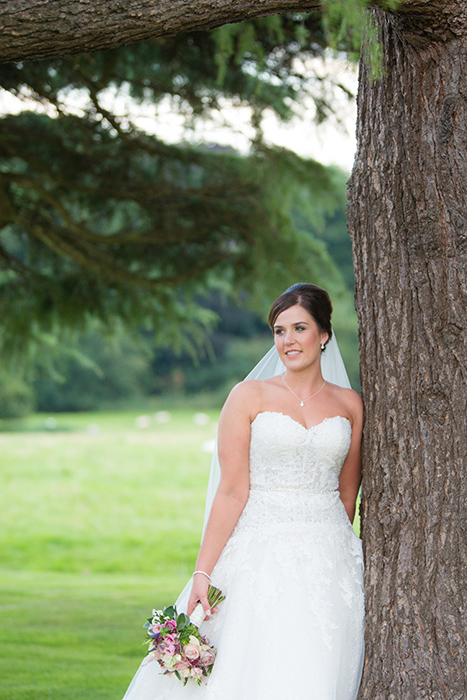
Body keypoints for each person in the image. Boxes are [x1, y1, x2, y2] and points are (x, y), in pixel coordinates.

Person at [122, 283, 364, 700]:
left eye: (299, 328)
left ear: (324, 334)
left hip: (330, 561)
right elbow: (232, 491)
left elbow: (347, 496)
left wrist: (329, 557)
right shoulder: (248, 396)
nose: (288, 340)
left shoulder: (351, 405)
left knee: (315, 672)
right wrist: (203, 572)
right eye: (279, 330)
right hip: (258, 553)